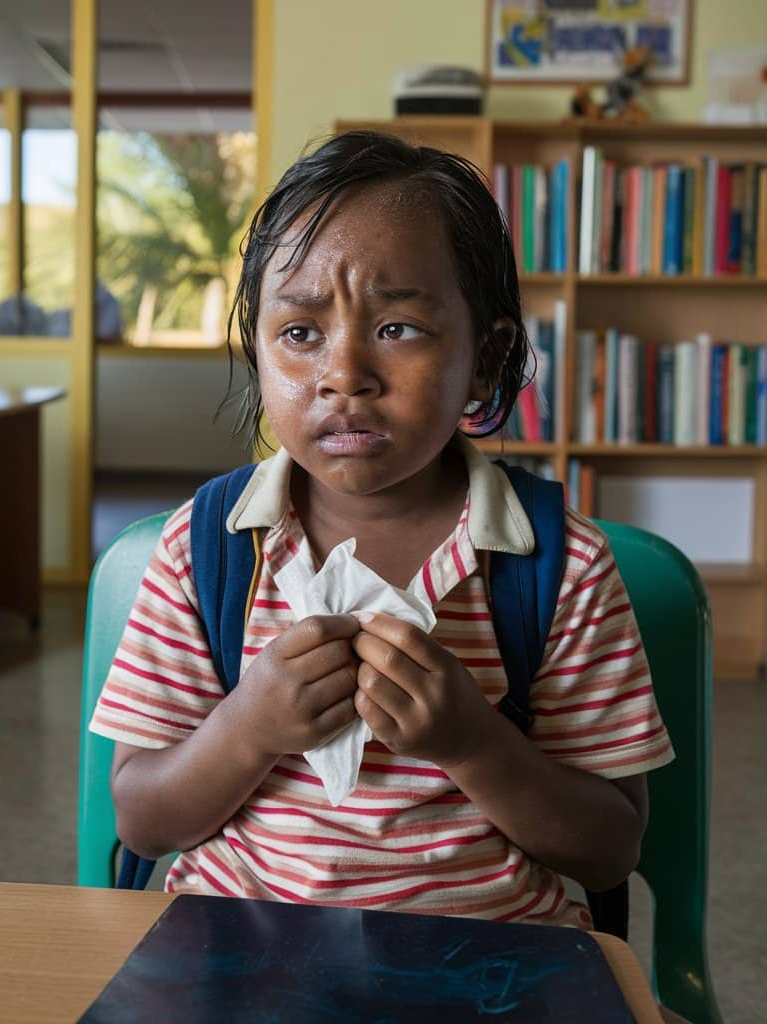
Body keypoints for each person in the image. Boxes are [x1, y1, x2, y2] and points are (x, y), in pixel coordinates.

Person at [88, 131, 674, 927]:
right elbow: (144, 822)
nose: (344, 375)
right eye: (300, 334)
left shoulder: (560, 567)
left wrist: (472, 741)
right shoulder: (211, 551)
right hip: (239, 963)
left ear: (485, 357)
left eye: (398, 329)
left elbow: (610, 848)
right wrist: (247, 727)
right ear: (257, 352)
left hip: (489, 969)